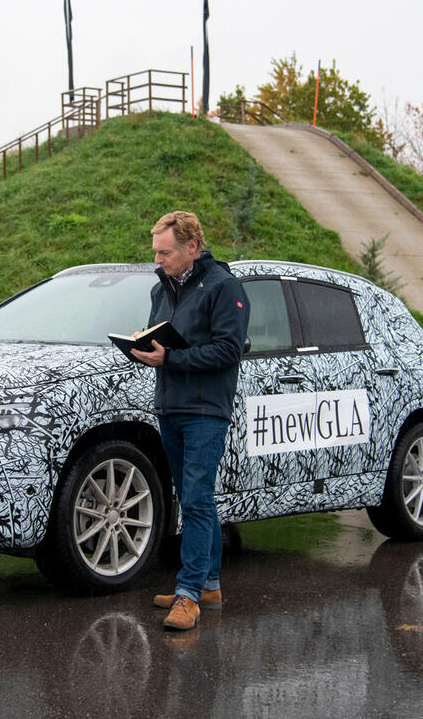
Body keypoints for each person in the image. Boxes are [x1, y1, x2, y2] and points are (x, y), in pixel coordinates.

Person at [131, 211, 249, 631]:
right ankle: (210, 585)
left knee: (197, 499)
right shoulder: (160, 289)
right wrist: (142, 349)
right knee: (193, 498)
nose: (157, 260)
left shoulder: (223, 286)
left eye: (165, 252)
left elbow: (228, 350)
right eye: (156, 252)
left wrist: (172, 357)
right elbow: (159, 338)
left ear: (191, 248)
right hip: (170, 406)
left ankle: (188, 596)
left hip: (206, 411)